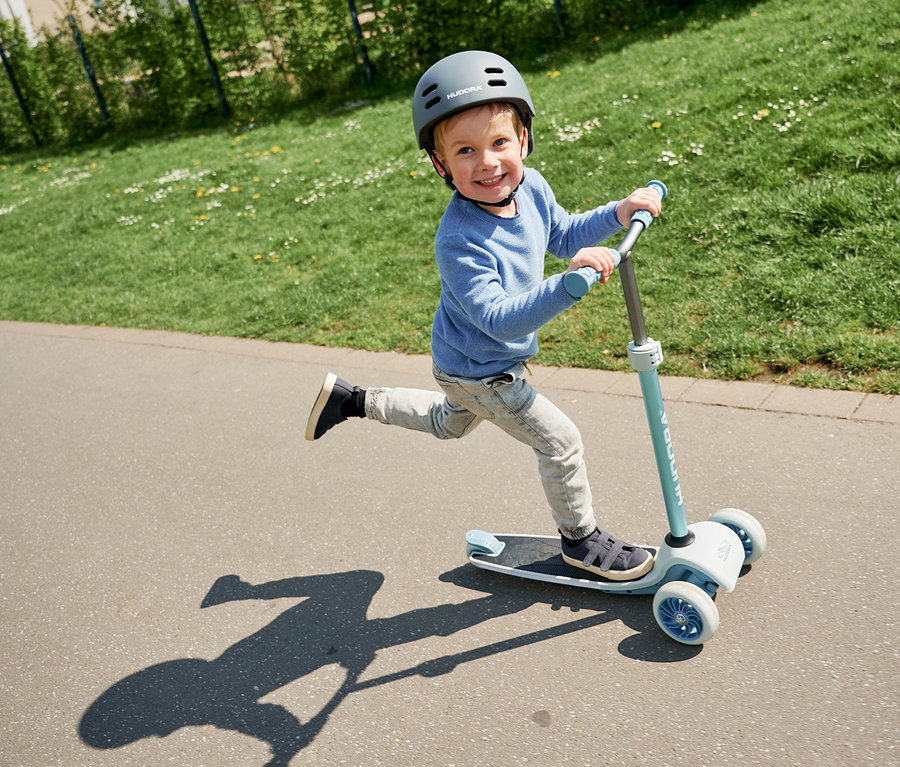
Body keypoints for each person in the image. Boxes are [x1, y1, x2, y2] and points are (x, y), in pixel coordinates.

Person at [305, 51, 662, 582]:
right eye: (465, 151)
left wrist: (617, 213)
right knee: (560, 442)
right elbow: (499, 319)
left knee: (446, 425)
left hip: (468, 363)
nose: (487, 162)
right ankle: (581, 543)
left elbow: (562, 234)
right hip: (482, 370)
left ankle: (354, 400)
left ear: (523, 140)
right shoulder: (458, 240)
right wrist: (567, 285)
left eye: (498, 143)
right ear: (440, 164)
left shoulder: (532, 187)